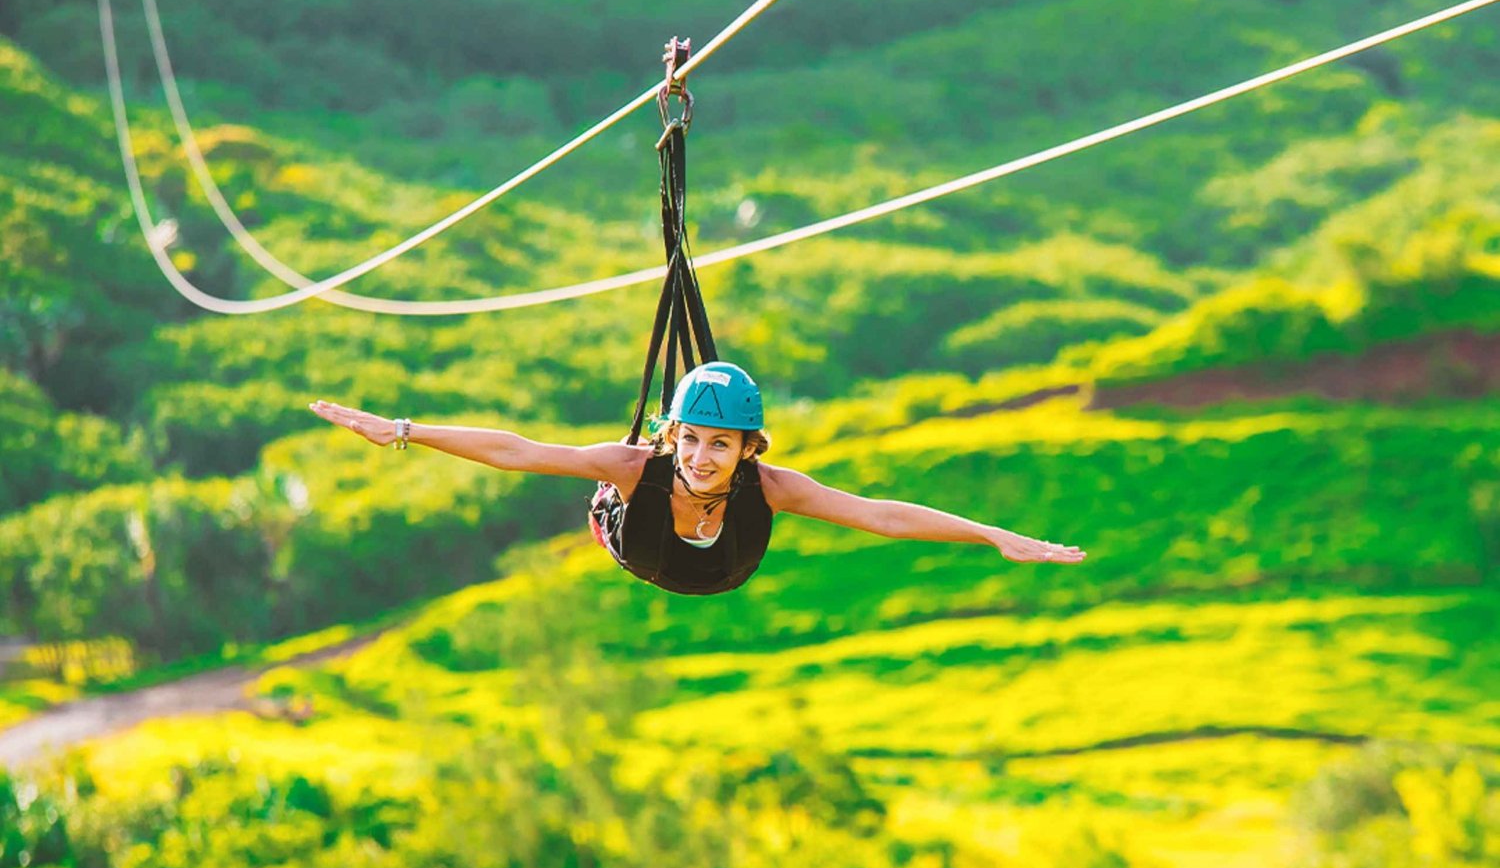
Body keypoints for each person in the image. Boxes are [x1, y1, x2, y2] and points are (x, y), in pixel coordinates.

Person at [308, 361, 1086, 596]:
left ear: (750, 448)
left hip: (722, 565)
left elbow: (880, 513)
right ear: (671, 433)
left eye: (723, 444)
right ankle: (606, 510)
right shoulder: (636, 467)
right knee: (612, 478)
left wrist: (990, 535)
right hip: (638, 541)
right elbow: (519, 449)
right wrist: (406, 431)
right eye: (692, 439)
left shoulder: (770, 486)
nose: (703, 455)